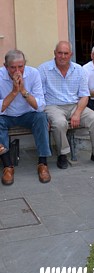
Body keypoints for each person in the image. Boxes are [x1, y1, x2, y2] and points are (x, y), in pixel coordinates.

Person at [38, 41, 94, 169]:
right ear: (55, 53)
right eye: (60, 53)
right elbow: (40, 96)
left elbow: (84, 96)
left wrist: (77, 113)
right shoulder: (43, 69)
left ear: (71, 54)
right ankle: (63, 154)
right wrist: (43, 116)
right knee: (59, 123)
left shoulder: (79, 70)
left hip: (75, 105)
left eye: (66, 53)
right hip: (53, 106)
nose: (63, 56)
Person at [0, 50, 51, 185]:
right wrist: (14, 92)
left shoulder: (33, 74)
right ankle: (7, 166)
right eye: (13, 67)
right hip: (6, 116)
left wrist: (23, 91)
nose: (17, 71)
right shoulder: (0, 76)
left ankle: (43, 163)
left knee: (41, 117)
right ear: (6, 66)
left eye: (20, 66)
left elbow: (39, 106)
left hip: (28, 114)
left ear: (25, 65)